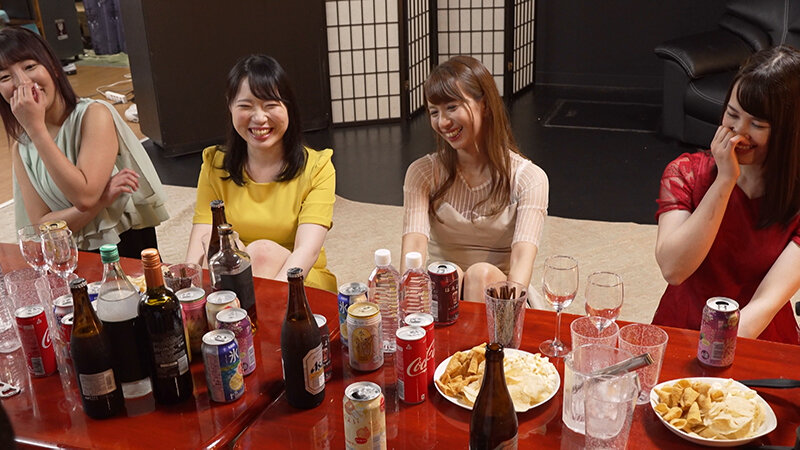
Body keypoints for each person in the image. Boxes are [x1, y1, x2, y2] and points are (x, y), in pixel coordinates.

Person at [654, 45, 800, 345]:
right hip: (683, 326)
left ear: (789, 131)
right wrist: (724, 180)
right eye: (732, 115)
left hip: (754, 335)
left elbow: (766, 302)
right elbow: (673, 269)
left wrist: (713, 351)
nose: (738, 132)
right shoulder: (685, 172)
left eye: (757, 124)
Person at [0, 27, 169, 258]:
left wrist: (36, 129)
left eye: (30, 66)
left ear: (53, 67)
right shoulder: (21, 148)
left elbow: (84, 196)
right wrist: (102, 201)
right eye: (4, 77)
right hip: (67, 256)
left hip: (122, 245)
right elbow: (42, 227)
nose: (22, 82)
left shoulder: (94, 114)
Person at [402, 56, 548, 303]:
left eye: (452, 107)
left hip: (504, 301)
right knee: (448, 276)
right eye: (434, 112)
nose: (442, 122)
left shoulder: (529, 178)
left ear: (485, 105)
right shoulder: (422, 173)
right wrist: (409, 302)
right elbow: (413, 249)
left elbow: (521, 261)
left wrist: (507, 315)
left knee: (479, 274)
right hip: (441, 299)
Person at [186, 55, 337, 293]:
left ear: (288, 107)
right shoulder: (215, 164)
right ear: (230, 106)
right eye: (246, 106)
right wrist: (190, 291)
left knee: (262, 253)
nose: (259, 118)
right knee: (218, 254)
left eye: (270, 105)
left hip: (299, 283)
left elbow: (306, 252)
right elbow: (202, 239)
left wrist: (264, 301)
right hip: (238, 283)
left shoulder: (317, 167)